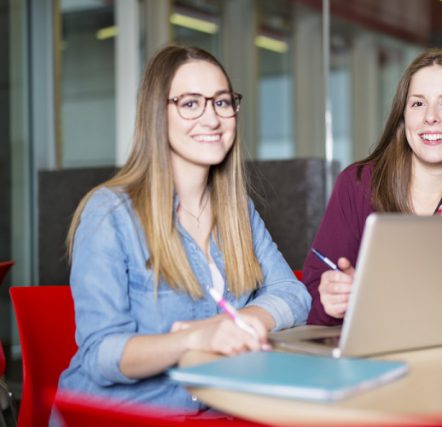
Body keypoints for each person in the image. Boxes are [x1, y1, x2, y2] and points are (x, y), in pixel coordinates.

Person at [53, 45, 311, 418]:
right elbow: (100, 355)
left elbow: (292, 294)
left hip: (216, 409)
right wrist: (195, 337)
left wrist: (235, 324)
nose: (212, 119)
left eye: (222, 102)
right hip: (121, 416)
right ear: (157, 114)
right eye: (191, 103)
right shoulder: (110, 213)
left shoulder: (238, 211)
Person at [302, 48, 442, 326]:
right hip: (373, 348)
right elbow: (314, 296)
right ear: (403, 116)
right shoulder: (357, 182)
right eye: (417, 104)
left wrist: (376, 294)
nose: (431, 117)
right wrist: (329, 298)